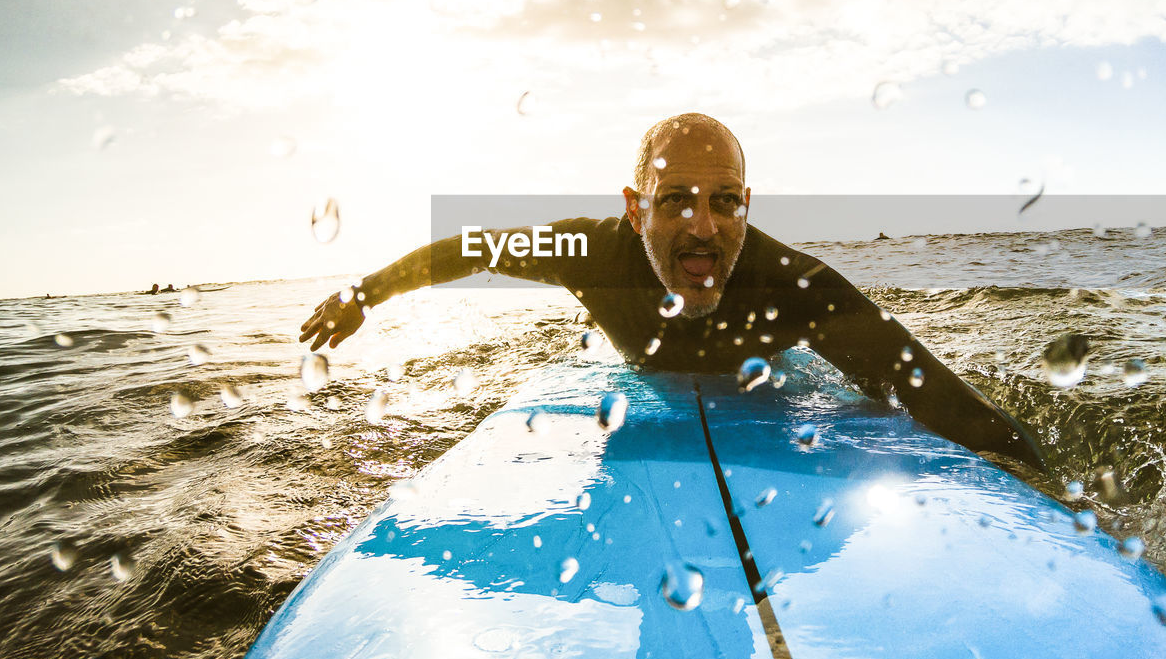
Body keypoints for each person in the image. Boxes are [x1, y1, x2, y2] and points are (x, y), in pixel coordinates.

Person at [300, 113, 1045, 469]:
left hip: (765, 387)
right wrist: (365, 293)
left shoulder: (797, 289)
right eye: (676, 199)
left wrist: (1060, 490)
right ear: (634, 206)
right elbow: (470, 248)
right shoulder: (586, 251)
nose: (704, 226)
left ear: (747, 204)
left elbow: (942, 402)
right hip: (642, 371)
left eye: (726, 202)